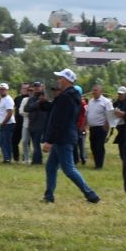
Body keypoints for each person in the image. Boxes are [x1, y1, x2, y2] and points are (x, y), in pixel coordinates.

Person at [41, 69, 100, 204]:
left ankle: (91, 194)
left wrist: (49, 140)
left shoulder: (65, 98)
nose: (58, 80)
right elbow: (55, 112)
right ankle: (49, 196)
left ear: (67, 80)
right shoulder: (70, 97)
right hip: (63, 136)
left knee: (69, 169)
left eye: (60, 78)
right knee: (51, 167)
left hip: (62, 138)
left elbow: (59, 121)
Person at [84, 81, 115, 169]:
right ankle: (96, 162)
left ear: (101, 91)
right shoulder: (90, 102)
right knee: (93, 146)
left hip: (101, 127)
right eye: (93, 90)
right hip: (92, 128)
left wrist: (107, 125)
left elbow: (110, 114)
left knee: (99, 146)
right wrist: (85, 125)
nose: (94, 92)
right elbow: (87, 114)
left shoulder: (106, 102)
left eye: (96, 90)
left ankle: (99, 164)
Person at [22, 81, 50, 165]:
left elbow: (48, 108)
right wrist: (38, 103)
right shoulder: (31, 98)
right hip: (32, 124)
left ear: (41, 87)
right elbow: (26, 109)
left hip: (41, 125)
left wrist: (41, 102)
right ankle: (38, 160)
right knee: (35, 143)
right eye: (35, 87)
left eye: (38, 87)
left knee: (36, 143)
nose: (37, 89)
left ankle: (36, 161)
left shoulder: (44, 98)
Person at [0, 82, 17, 164]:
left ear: (7, 90)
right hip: (5, 123)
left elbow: (10, 112)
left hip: (8, 124)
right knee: (1, 142)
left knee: (5, 142)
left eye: (3, 89)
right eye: (0, 89)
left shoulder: (8, 99)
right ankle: (7, 158)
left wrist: (4, 123)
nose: (1, 90)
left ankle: (7, 159)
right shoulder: (2, 98)